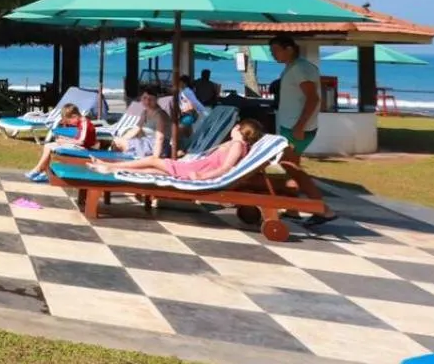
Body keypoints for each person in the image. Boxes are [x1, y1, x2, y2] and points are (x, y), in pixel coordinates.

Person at [269, 35, 337, 227]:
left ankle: (323, 210)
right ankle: (292, 209)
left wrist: (300, 126)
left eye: (276, 50)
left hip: (296, 128)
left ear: (289, 49)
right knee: (288, 169)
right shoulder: (294, 67)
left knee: (291, 169)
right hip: (290, 126)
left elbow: (313, 99)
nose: (273, 55)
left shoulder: (300, 68)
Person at [90, 120, 262, 179]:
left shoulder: (237, 145)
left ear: (239, 129)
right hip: (196, 167)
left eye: (236, 126)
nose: (233, 128)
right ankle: (111, 169)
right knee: (153, 170)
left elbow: (225, 168)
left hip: (197, 170)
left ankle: (110, 166)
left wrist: (202, 176)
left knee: (152, 161)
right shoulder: (237, 144)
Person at [24, 104, 95, 182]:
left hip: (83, 149)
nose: (70, 124)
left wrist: (65, 141)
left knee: (50, 146)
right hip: (79, 146)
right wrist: (65, 138)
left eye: (69, 121)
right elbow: (79, 139)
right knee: (47, 146)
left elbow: (81, 141)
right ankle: (42, 170)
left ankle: (40, 170)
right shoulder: (81, 122)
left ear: (74, 116)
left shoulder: (84, 123)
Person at [104, 88, 172, 159]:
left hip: (157, 147)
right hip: (147, 143)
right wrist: (122, 139)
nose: (147, 101)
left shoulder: (160, 115)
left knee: (119, 143)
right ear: (141, 99)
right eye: (144, 98)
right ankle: (120, 161)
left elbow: (160, 138)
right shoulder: (145, 112)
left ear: (156, 100)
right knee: (116, 142)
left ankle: (121, 162)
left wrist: (155, 158)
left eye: (151, 99)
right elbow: (136, 129)